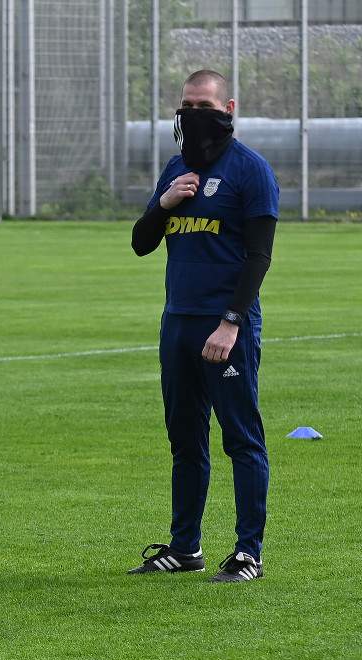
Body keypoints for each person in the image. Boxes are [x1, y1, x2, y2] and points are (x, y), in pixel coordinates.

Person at [127, 70, 278, 583]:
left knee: (241, 438)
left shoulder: (251, 170)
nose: (194, 114)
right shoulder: (176, 168)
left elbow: (258, 258)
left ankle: (247, 554)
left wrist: (231, 323)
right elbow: (141, 242)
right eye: (186, 105)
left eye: (204, 105)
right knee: (185, 439)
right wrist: (165, 203)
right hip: (178, 325)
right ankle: (184, 548)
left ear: (228, 108)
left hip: (224, 328)